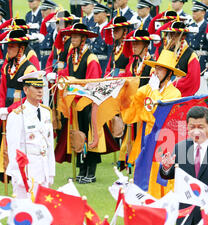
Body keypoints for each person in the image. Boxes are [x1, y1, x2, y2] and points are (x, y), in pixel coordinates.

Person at [56, 22, 118, 184]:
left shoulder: (91, 58)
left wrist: (74, 82)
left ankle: (91, 171)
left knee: (90, 137)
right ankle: (81, 170)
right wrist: (59, 77)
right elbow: (65, 73)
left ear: (83, 39)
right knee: (78, 137)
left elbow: (93, 83)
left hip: (88, 104)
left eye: (76, 36)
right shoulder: (71, 56)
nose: (72, 39)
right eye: (72, 36)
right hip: (75, 104)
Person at [120, 49, 183, 198]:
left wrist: (153, 91)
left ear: (169, 74)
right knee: (142, 174)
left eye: (160, 69)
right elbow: (131, 114)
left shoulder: (175, 93)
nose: (155, 72)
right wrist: (126, 90)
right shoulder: (149, 88)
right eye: (155, 68)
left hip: (163, 142)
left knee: (159, 179)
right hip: (145, 138)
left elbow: (159, 113)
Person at [6, 70, 55, 199]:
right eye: (36, 87)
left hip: (43, 170)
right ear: (26, 90)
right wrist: (18, 176)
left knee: (42, 213)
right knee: (25, 214)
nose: (40, 91)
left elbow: (49, 145)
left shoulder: (45, 112)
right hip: (27, 173)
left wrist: (51, 173)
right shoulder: (17, 115)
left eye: (41, 87)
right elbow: (13, 149)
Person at [117, 28, 158, 171]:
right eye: (133, 44)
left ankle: (141, 164)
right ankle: (130, 163)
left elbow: (153, 89)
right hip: (133, 108)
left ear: (145, 47)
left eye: (137, 44)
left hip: (145, 110)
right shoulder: (133, 63)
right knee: (129, 138)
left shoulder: (152, 65)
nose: (133, 46)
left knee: (142, 139)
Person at [161, 20, 201, 97]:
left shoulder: (191, 55)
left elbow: (192, 80)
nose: (172, 38)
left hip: (182, 96)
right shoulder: (168, 51)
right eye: (170, 35)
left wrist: (172, 84)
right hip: (166, 93)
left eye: (175, 35)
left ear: (183, 37)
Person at [187, 1, 208, 95]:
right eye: (193, 11)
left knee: (202, 94)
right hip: (191, 63)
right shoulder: (190, 26)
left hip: (203, 65)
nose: (194, 13)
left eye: (196, 11)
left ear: (203, 12)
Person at [91, 2, 113, 77]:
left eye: (97, 13)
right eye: (94, 13)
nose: (94, 15)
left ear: (104, 14)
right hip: (93, 67)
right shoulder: (93, 29)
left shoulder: (109, 30)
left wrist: (107, 72)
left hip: (103, 67)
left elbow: (110, 53)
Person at [38, 0, 58, 70]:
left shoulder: (57, 23)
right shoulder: (43, 23)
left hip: (52, 58)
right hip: (43, 57)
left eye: (45, 10)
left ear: (52, 10)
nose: (42, 12)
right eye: (41, 10)